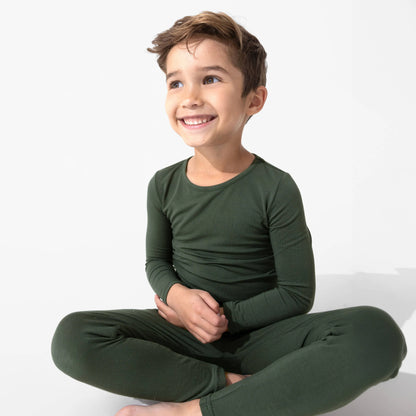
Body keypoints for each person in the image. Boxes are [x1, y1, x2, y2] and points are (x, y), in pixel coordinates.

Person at [51, 11, 407, 416]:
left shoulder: (275, 186)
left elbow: (296, 293)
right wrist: (179, 299)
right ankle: (242, 391)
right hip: (183, 334)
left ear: (253, 99)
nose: (190, 96)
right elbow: (157, 262)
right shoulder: (163, 184)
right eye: (176, 82)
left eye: (210, 79)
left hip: (264, 339)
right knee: (74, 337)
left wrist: (221, 319)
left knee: (377, 334)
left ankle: (191, 411)